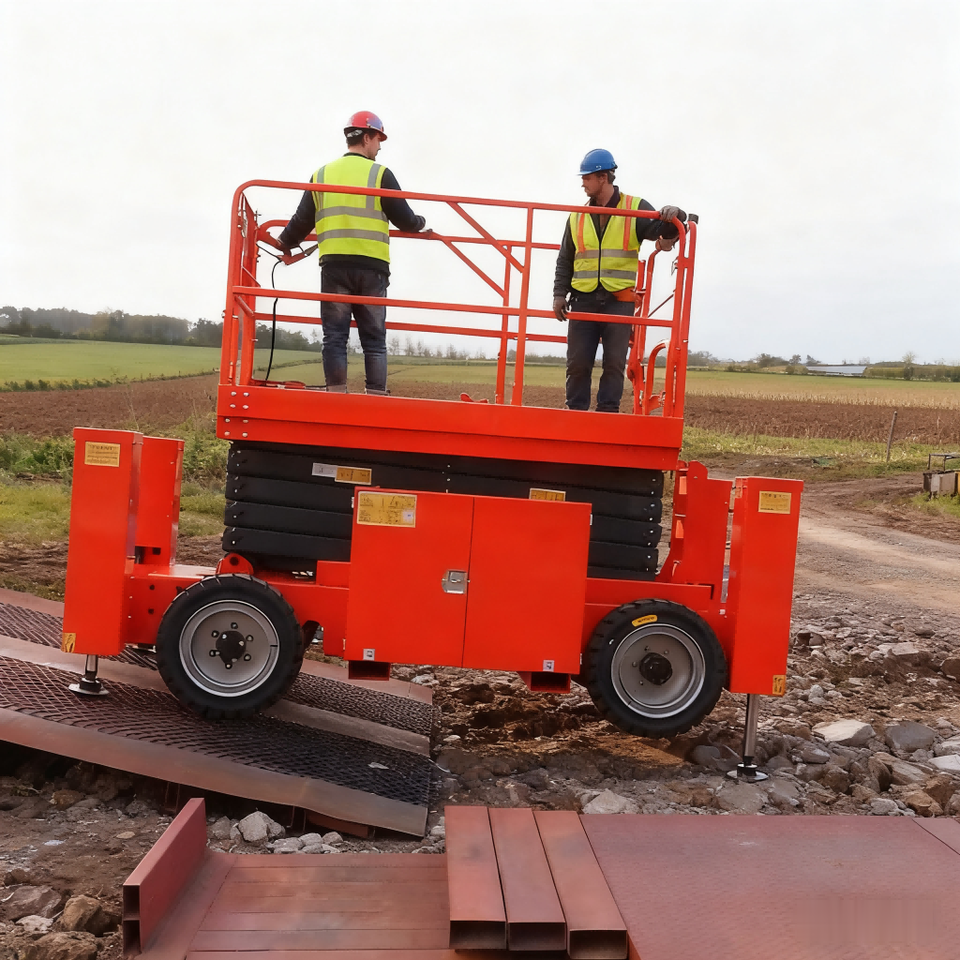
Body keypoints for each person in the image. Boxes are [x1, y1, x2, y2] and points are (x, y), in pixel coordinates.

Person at [271, 111, 429, 394]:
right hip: (372, 268)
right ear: (366, 137)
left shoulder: (321, 175)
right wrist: (421, 223)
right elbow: (405, 220)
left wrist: (283, 241)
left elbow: (301, 221)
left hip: (335, 267)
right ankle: (376, 396)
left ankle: (336, 394)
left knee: (334, 337)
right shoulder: (380, 174)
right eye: (378, 140)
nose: (379, 147)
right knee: (374, 339)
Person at [553, 148, 685, 412]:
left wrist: (677, 215)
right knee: (577, 363)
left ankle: (607, 414)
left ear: (603, 177)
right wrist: (559, 294)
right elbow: (565, 258)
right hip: (582, 299)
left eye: (587, 178)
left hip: (618, 301)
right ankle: (575, 414)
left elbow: (662, 229)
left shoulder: (635, 207)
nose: (582, 183)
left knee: (614, 364)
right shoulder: (577, 215)